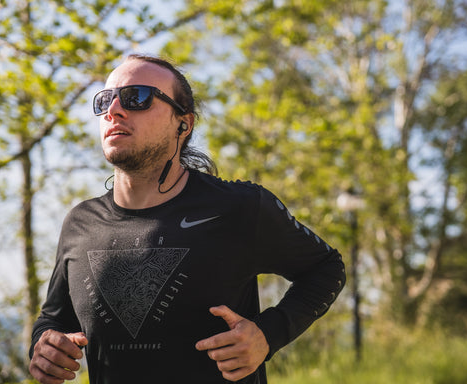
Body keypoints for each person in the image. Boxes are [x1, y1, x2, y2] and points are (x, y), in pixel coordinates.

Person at [29, 54, 346, 384]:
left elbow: (326, 267)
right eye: (105, 100)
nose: (114, 111)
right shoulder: (80, 223)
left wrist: (267, 335)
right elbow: (52, 318)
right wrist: (43, 347)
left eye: (136, 97)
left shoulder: (239, 207)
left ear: (184, 123)